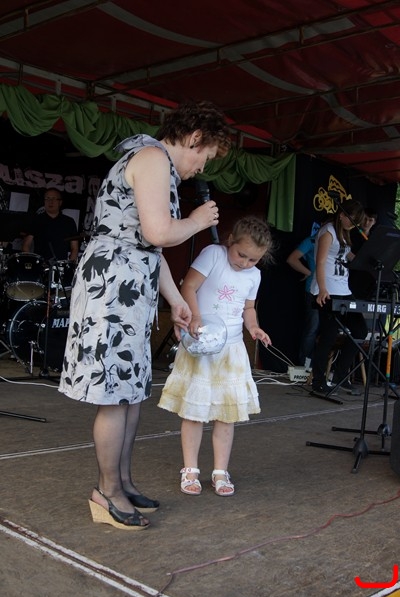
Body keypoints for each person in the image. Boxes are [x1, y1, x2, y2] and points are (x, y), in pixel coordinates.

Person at [58, 100, 231, 529]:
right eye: (205, 157)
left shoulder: (159, 164)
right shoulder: (152, 157)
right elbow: (159, 232)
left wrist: (176, 300)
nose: (201, 168)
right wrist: (196, 221)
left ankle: (122, 482)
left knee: (131, 392)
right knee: (115, 394)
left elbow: (149, 249)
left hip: (129, 284)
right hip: (111, 286)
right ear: (195, 139)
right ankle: (106, 493)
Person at [158, 216, 273, 497]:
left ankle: (220, 471)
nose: (245, 263)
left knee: (226, 414)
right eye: (241, 254)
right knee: (194, 411)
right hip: (201, 343)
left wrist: (254, 327)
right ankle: (190, 469)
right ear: (230, 241)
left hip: (231, 349)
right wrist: (195, 316)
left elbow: (248, 308)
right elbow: (189, 286)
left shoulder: (254, 276)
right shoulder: (213, 254)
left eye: (253, 260)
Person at [310, 199, 368, 396]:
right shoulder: (328, 231)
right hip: (327, 288)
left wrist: (366, 261)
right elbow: (320, 262)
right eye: (352, 220)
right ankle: (318, 381)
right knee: (328, 335)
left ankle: (340, 374)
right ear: (342, 215)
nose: (353, 224)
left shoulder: (344, 232)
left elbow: (347, 255)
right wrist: (322, 289)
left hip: (343, 289)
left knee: (360, 330)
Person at [286, 232, 319, 367]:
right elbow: (292, 259)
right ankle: (306, 366)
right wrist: (309, 273)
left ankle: (321, 366)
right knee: (312, 328)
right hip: (313, 290)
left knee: (328, 329)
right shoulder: (312, 241)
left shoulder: (340, 241)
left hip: (333, 290)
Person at [22, 188, 79, 261]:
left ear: (60, 202)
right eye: (47, 198)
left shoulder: (69, 222)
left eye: (54, 199)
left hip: (60, 265)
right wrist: (31, 262)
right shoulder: (36, 220)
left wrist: (69, 265)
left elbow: (74, 248)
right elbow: (26, 245)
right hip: (40, 264)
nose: (50, 201)